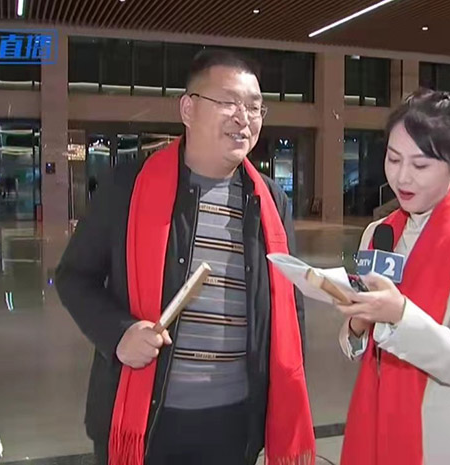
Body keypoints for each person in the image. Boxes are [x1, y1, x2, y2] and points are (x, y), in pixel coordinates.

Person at [56, 49, 315, 465]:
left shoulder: (269, 200)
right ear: (188, 109)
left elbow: (289, 303)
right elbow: (74, 276)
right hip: (149, 418)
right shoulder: (128, 187)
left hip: (236, 420)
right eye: (228, 102)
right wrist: (119, 334)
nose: (244, 118)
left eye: (254, 107)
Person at [335, 88, 450, 465]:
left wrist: (399, 314)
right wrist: (356, 326)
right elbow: (363, 346)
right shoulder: (379, 233)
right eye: (393, 158)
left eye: (420, 165)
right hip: (375, 420)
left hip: (441, 437)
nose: (402, 177)